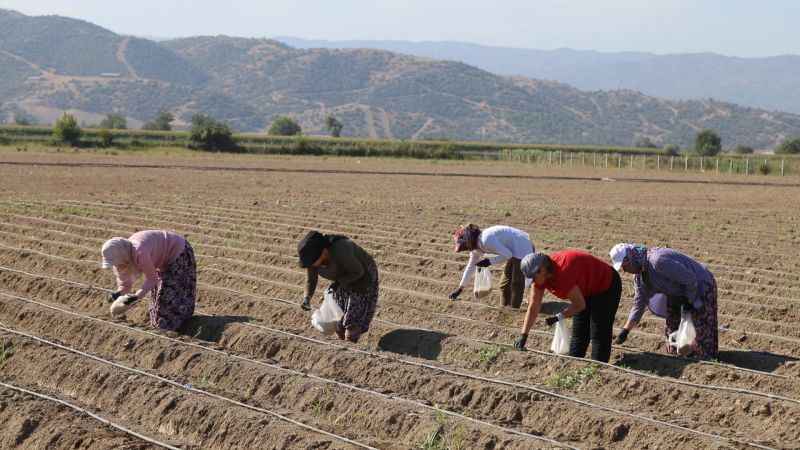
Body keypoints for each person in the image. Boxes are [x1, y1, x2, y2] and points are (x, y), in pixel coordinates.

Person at [610, 244, 719, 359]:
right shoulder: (640, 278)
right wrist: (625, 331)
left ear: (631, 258)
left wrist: (689, 301)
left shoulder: (658, 261)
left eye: (624, 266)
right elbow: (639, 304)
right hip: (676, 292)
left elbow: (690, 279)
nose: (624, 271)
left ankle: (702, 358)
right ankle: (679, 356)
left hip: (699, 286)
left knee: (699, 326)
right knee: (673, 327)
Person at [514, 250, 622, 363]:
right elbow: (533, 307)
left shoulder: (562, 274)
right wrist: (524, 335)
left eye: (533, 278)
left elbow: (579, 305)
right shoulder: (540, 279)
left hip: (606, 285)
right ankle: (574, 363)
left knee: (599, 331)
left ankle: (598, 367)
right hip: (585, 288)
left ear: (542, 269)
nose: (532, 282)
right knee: (579, 330)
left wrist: (559, 317)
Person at [101, 230, 196, 331]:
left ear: (122, 255)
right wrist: (118, 294)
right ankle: (163, 327)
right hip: (162, 260)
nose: (116, 265)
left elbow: (152, 279)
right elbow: (125, 285)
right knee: (157, 297)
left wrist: (135, 297)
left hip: (178, 252)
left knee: (168, 295)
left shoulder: (139, 252)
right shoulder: (121, 263)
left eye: (116, 262)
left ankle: (174, 328)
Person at [298, 230, 379, 343]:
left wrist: (338, 283)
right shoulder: (312, 260)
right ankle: (344, 344)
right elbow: (311, 280)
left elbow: (358, 272)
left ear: (324, 252)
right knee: (338, 322)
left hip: (363, 277)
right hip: (342, 280)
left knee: (352, 324)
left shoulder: (341, 250)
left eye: (313, 262)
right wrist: (307, 298)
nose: (311, 266)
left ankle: (351, 345)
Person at [449, 224, 534, 308]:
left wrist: (489, 262)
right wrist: (460, 289)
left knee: (516, 283)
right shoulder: (475, 249)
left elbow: (507, 255)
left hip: (522, 247)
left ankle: (514, 310)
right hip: (512, 250)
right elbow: (470, 267)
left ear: (468, 241)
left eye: (465, 246)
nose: (467, 249)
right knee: (504, 284)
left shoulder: (486, 240)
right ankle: (504, 307)